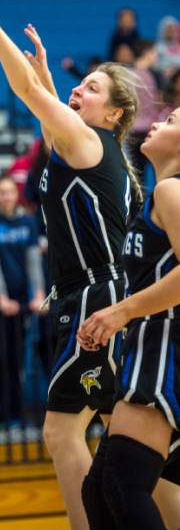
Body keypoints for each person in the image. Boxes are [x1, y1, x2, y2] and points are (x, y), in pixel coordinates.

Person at [0, 0, 140, 530]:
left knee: (61, 433)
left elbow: (28, 93)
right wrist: (47, 77)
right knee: (130, 440)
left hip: (95, 301)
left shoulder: (88, 141)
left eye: (93, 87)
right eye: (79, 84)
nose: (81, 89)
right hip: (89, 298)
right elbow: (45, 104)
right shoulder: (84, 145)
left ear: (115, 113)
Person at [78, 108, 180, 530]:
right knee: (100, 488)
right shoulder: (160, 192)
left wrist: (121, 312)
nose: (157, 122)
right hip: (148, 343)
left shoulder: (172, 191)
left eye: (172, 121)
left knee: (120, 483)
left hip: (165, 343)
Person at [0, 176, 46, 425]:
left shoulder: (27, 221)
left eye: (10, 192)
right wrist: (1, 298)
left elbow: (33, 260)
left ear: (16, 195)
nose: (6, 196)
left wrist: (37, 293)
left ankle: (15, 414)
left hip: (21, 303)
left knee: (16, 361)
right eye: (1, 192)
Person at [128, 40, 163, 182]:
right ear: (147, 53)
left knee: (138, 177)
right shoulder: (147, 76)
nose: (156, 57)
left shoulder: (130, 74)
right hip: (147, 131)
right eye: (154, 53)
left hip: (134, 131)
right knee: (158, 173)